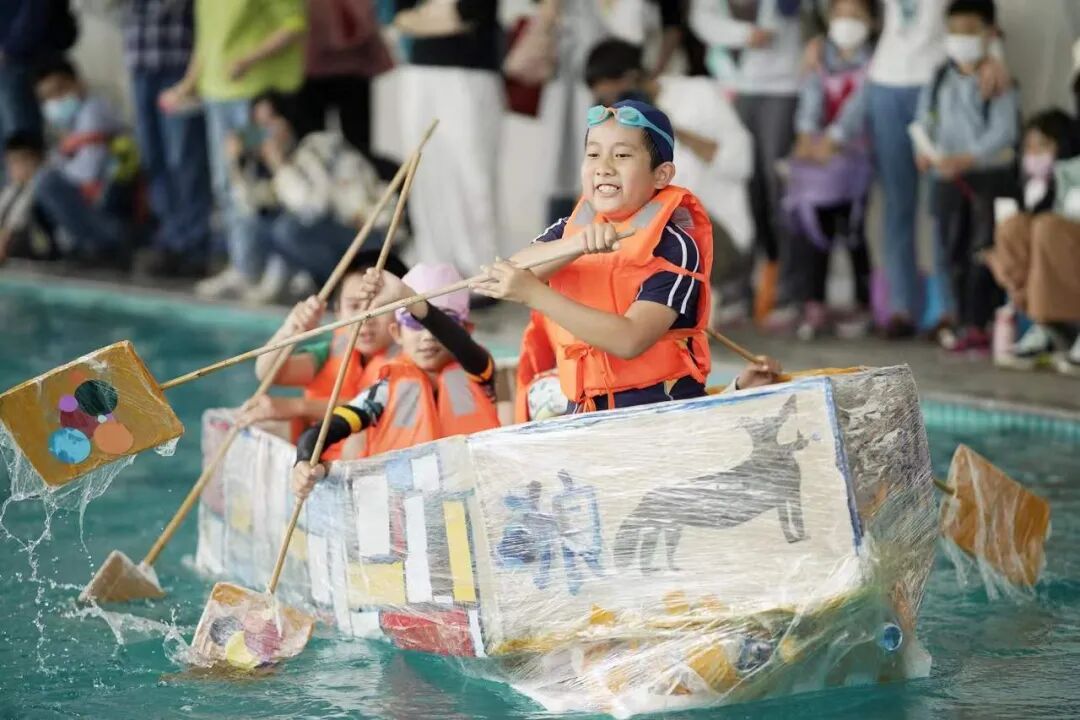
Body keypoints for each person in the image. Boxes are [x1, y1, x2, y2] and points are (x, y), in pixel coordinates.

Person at [474, 100, 781, 414]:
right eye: (593, 154)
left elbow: (630, 340)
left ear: (661, 175)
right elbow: (509, 274)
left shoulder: (674, 247)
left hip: (656, 411)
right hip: (584, 407)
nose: (604, 167)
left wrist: (534, 294)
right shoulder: (568, 230)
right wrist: (575, 245)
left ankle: (736, 392)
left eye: (621, 155)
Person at [860, 0, 1011, 338]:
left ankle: (946, 308)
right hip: (885, 81)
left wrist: (995, 57)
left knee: (943, 207)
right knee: (897, 205)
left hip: (940, 78)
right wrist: (819, 40)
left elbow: (981, 15)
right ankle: (901, 307)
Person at [582, 38, 755, 329]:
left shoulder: (698, 93)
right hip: (655, 235)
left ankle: (690, 307)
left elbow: (742, 161)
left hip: (716, 236)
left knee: (668, 208)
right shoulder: (616, 123)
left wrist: (666, 129)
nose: (609, 103)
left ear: (632, 78)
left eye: (611, 93)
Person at [290, 263, 501, 497]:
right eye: (413, 322)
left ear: (466, 330)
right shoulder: (384, 391)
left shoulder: (479, 371)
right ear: (396, 333)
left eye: (445, 322)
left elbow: (461, 345)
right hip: (410, 506)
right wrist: (304, 461)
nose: (428, 336)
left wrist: (407, 297)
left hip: (475, 500)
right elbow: (325, 429)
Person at [161, 0, 308, 298]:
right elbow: (206, 41)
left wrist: (248, 60)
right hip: (218, 97)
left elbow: (294, 24)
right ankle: (245, 265)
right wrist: (188, 84)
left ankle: (281, 266)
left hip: (256, 98)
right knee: (229, 184)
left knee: (267, 182)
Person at [913, 0, 1019, 354]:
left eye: (970, 30)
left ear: (989, 34)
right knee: (950, 251)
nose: (960, 38)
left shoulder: (998, 80)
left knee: (982, 251)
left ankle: (981, 322)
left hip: (986, 181)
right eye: (954, 30)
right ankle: (956, 319)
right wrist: (923, 149)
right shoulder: (939, 77)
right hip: (945, 179)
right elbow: (924, 118)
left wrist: (968, 157)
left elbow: (1004, 131)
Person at [689, 0, 805, 327]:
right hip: (734, 86)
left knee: (780, 193)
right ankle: (737, 291)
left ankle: (788, 294)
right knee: (742, 194)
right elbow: (701, 18)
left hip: (783, 86)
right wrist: (743, 34)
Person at [238, 253, 408, 459]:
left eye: (380, 308)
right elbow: (269, 373)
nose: (366, 318)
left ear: (402, 311)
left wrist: (295, 407)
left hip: (367, 462)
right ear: (337, 311)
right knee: (259, 420)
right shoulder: (333, 351)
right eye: (354, 306)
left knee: (358, 438)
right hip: (315, 460)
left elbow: (371, 406)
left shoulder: (410, 358)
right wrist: (290, 329)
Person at [783, 0, 875, 340]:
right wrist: (807, 135)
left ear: (872, 21)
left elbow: (860, 107)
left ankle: (863, 304)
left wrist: (834, 139)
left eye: (856, 16)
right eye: (840, 15)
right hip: (819, 160)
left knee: (853, 231)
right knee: (813, 229)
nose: (847, 23)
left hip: (856, 159)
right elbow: (810, 100)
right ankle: (814, 302)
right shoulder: (819, 57)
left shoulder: (876, 63)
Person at [391, 0, 505, 273]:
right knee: (424, 173)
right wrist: (439, 14)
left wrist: (426, 16)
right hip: (419, 73)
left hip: (469, 74)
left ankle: (481, 271)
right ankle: (434, 269)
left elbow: (466, 15)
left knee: (472, 175)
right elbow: (401, 18)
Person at [985, 108, 1080, 374]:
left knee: (1048, 228)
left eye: (1043, 146)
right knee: (1013, 228)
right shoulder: (1057, 175)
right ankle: (1050, 327)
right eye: (1030, 147)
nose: (1035, 153)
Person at [124, 0, 213, 278]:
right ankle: (170, 238)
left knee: (184, 159)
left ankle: (194, 246)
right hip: (140, 64)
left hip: (178, 67)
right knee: (153, 158)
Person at [32, 57, 131, 264]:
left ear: (78, 83)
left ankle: (101, 244)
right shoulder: (70, 122)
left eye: (60, 90)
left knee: (47, 182)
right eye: (47, 97)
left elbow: (88, 173)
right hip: (97, 195)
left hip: (111, 199)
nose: (55, 101)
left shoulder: (93, 111)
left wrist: (59, 165)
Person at [294, 0, 397, 180]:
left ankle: (386, 187)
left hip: (344, 70)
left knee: (356, 146)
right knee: (312, 150)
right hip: (315, 72)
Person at [0, 132, 57, 264]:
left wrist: (3, 244)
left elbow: (16, 221)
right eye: (11, 163)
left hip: (32, 244)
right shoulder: (12, 188)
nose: (13, 168)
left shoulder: (39, 187)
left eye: (18, 162)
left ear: (36, 161)